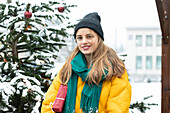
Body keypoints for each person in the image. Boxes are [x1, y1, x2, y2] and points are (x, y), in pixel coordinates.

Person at [41, 12, 132, 113]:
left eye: (89, 36)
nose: (84, 41)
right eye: (80, 38)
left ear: (99, 38)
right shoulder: (68, 69)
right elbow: (48, 105)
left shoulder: (115, 69)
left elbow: (118, 109)